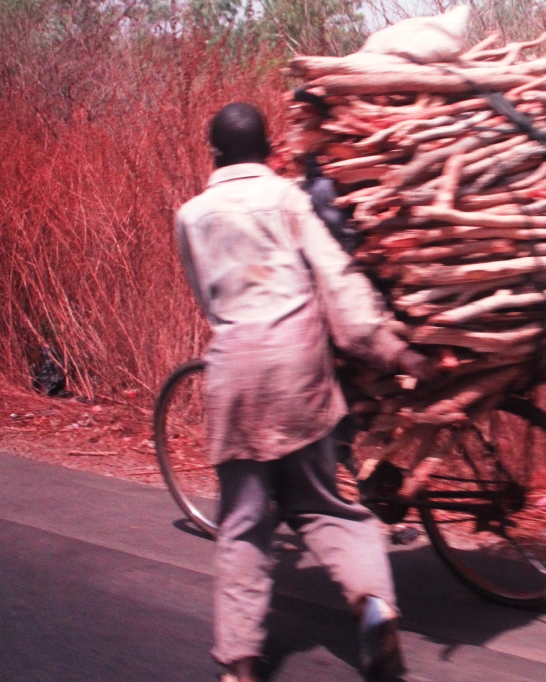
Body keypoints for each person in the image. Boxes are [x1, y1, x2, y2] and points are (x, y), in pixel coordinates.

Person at [175, 102, 432, 682]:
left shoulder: (191, 216)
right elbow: (338, 280)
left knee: (243, 521)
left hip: (234, 372)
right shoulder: (288, 199)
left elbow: (206, 298)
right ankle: (372, 605)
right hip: (299, 371)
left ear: (214, 154)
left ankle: (239, 661)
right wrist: (392, 348)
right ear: (268, 149)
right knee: (324, 505)